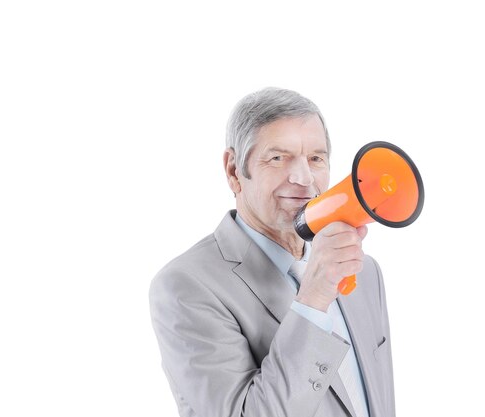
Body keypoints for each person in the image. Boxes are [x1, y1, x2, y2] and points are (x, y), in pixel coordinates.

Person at [149, 87, 395, 417]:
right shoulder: (184, 287)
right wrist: (313, 298)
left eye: (316, 159)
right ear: (234, 170)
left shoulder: (364, 271)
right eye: (278, 158)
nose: (304, 178)